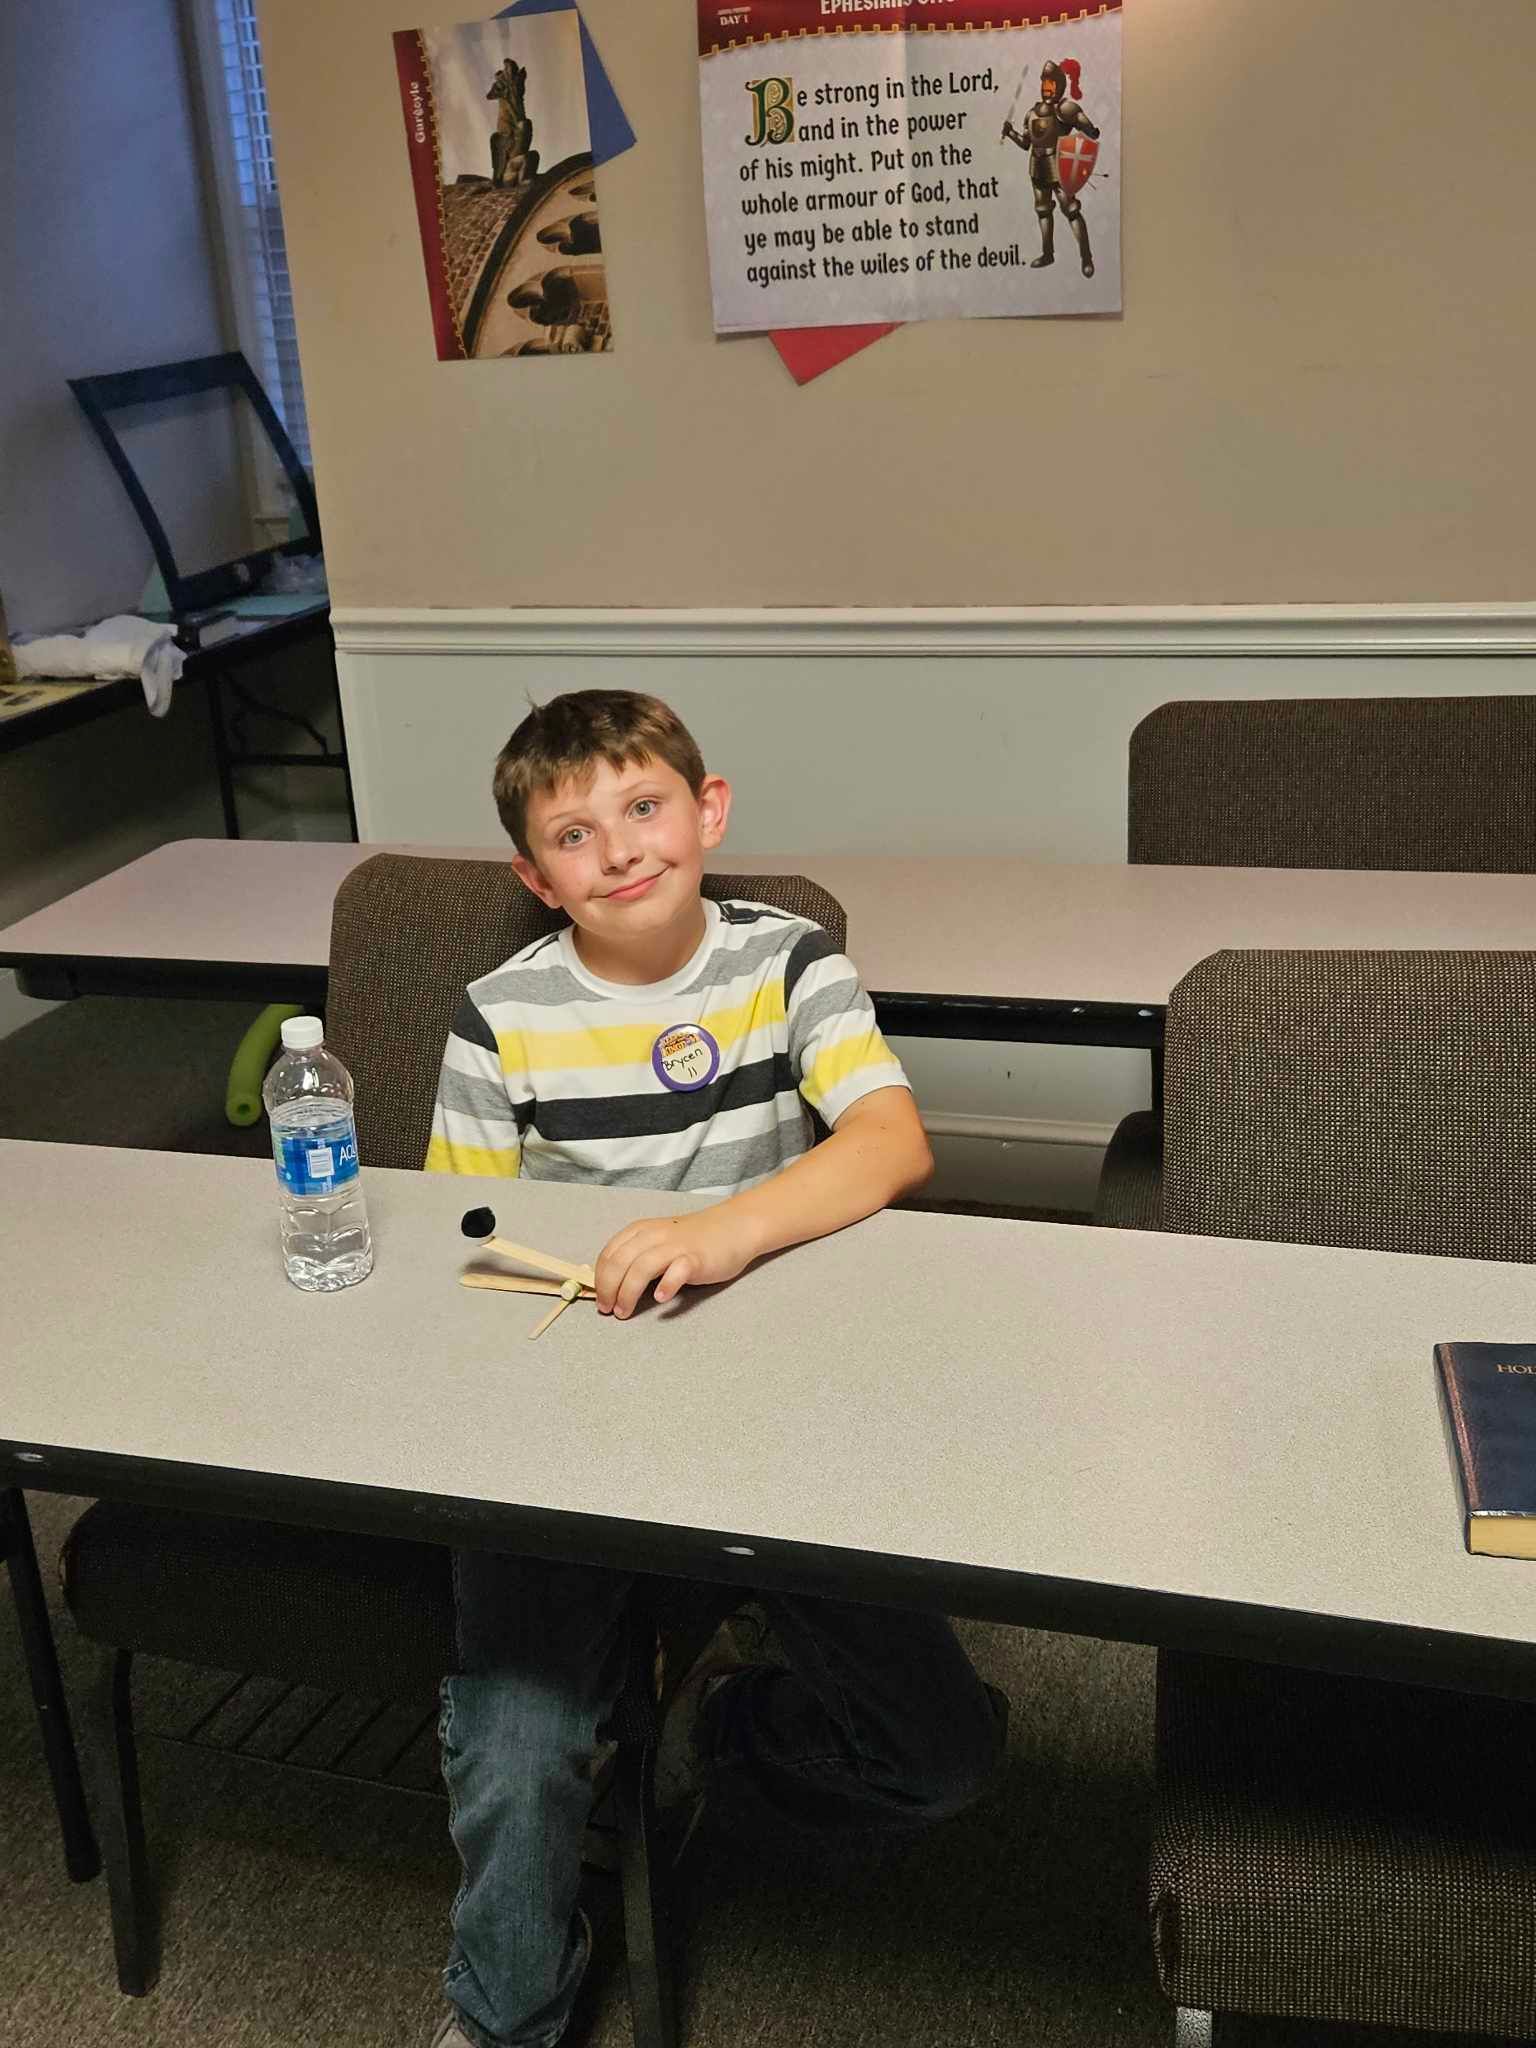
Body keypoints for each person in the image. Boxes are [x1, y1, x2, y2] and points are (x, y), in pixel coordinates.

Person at [424, 689, 1008, 2048]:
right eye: (575, 834)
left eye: (645, 807)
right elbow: (454, 1242)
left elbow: (889, 1142)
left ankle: (734, 1732)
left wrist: (719, 1234)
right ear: (533, 875)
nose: (621, 850)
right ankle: (505, 2015)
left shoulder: (788, 962)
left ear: (709, 812)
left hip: (775, 1413)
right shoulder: (496, 1017)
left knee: (942, 1758)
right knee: (518, 1752)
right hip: (564, 1419)